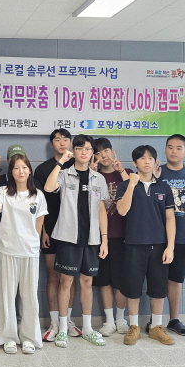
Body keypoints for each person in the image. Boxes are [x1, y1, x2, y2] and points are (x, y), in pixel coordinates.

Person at [43, 135, 109, 348]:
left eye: (87, 149)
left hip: (91, 239)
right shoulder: (64, 174)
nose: (83, 152)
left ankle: (87, 328)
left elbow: (101, 210)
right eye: (79, 148)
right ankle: (62, 329)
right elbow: (48, 187)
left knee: (87, 282)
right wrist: (61, 162)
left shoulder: (98, 178)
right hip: (68, 237)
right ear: (73, 151)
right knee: (66, 282)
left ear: (92, 153)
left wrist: (104, 240)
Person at [0, 154, 48, 354]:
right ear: (11, 172)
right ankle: (8, 338)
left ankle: (29, 338)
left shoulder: (38, 195)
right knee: (7, 296)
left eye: (24, 167)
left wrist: (35, 244)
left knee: (30, 298)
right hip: (7, 251)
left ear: (29, 170)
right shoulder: (3, 192)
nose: (21, 171)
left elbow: (39, 223)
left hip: (30, 252)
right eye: (16, 168)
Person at [116, 145, 176, 346]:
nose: (147, 161)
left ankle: (156, 327)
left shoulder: (163, 187)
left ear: (155, 161)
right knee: (132, 288)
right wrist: (132, 184)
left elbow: (170, 218)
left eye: (150, 158)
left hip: (159, 245)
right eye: (142, 158)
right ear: (135, 163)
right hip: (134, 243)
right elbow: (122, 211)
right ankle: (134, 326)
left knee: (158, 288)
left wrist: (170, 246)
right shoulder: (125, 185)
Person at [151, 134, 185, 336]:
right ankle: (155, 320)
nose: (173, 151)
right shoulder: (156, 172)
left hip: (182, 235)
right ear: (165, 150)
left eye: (178, 148)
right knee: (156, 278)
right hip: (156, 235)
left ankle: (174, 319)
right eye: (170, 147)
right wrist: (153, 177)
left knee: (176, 278)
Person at [33, 129, 80, 342]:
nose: (62, 143)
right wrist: (43, 230)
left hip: (74, 230)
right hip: (51, 228)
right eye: (57, 139)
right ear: (51, 144)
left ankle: (66, 320)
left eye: (66, 139)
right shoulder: (43, 169)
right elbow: (39, 202)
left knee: (70, 277)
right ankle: (54, 322)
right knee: (52, 275)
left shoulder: (79, 164)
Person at [0, 144, 26, 341]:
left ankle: (19, 322)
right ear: (8, 162)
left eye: (21, 160)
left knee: (21, 285)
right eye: (13, 159)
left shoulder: (31, 183)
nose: (19, 168)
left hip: (23, 242)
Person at [91, 138, 131, 337]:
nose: (103, 156)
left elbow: (135, 190)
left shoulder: (126, 173)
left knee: (121, 279)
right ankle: (108, 321)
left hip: (123, 235)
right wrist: (90, 173)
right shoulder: (93, 176)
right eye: (98, 153)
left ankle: (121, 318)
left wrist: (121, 170)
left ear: (112, 151)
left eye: (106, 150)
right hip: (99, 236)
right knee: (104, 280)